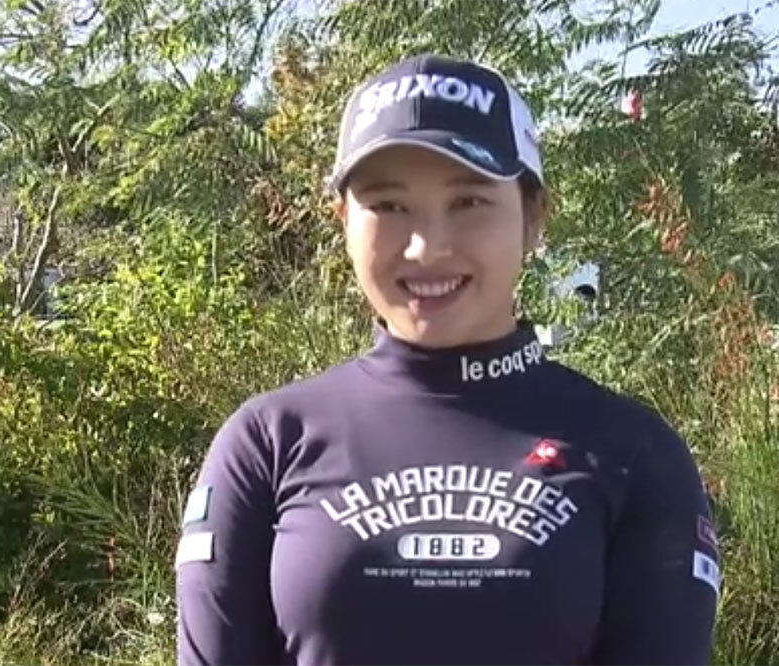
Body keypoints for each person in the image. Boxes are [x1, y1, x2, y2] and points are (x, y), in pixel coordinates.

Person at [174, 54, 721, 666]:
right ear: (343, 220)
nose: (426, 247)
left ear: (533, 217)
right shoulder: (267, 442)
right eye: (388, 205)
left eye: (469, 202)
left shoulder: (636, 454)